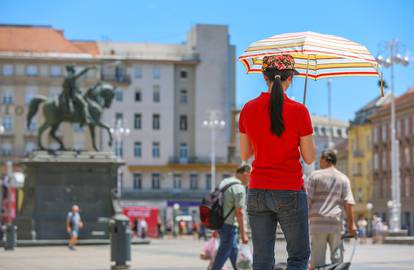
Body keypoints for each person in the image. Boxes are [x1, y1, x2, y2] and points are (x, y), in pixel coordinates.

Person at [239, 55, 315, 270]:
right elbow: (309, 157)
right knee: (298, 256)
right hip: (289, 189)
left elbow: (245, 154)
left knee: (262, 260)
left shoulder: (248, 109)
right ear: (290, 78)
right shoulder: (300, 111)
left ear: (264, 76)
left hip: (258, 191)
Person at [307, 149, 356, 269]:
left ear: (325, 159)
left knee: (317, 262)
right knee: (338, 262)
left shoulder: (315, 176)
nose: (319, 162)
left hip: (317, 225)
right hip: (336, 224)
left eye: (320, 160)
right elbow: (348, 203)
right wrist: (351, 225)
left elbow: (307, 201)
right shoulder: (343, 178)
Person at [211, 165, 251, 270]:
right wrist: (244, 234)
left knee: (233, 252)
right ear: (245, 174)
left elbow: (217, 205)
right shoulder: (239, 188)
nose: (250, 181)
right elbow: (239, 213)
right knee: (223, 253)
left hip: (220, 223)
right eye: (251, 177)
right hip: (229, 226)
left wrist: (216, 228)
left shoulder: (224, 182)